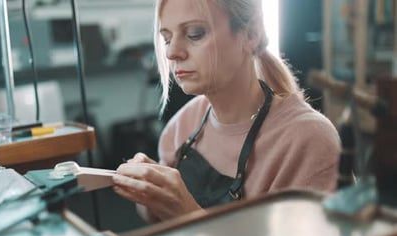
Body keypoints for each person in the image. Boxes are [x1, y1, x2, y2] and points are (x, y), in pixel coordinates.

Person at [112, 0, 341, 223]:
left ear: (251, 34)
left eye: (194, 33)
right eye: (167, 38)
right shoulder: (183, 125)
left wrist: (188, 215)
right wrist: (148, 192)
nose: (172, 52)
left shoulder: (308, 140)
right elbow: (158, 223)